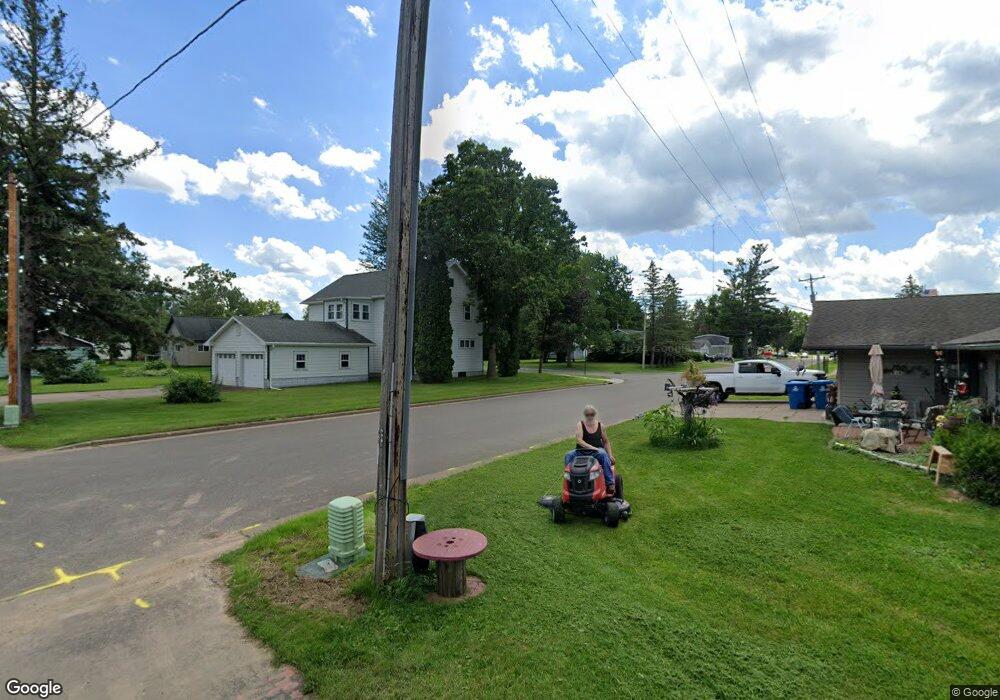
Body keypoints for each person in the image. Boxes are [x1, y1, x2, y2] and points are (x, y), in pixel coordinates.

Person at [564, 405, 617, 494]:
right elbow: (579, 440)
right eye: (587, 414)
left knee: (603, 454)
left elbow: (606, 442)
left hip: (596, 452)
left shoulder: (601, 425)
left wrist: (610, 455)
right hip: (581, 451)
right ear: (585, 415)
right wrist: (592, 447)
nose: (590, 416)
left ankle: (609, 484)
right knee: (568, 455)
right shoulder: (580, 424)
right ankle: (570, 481)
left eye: (591, 414)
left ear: (594, 414)